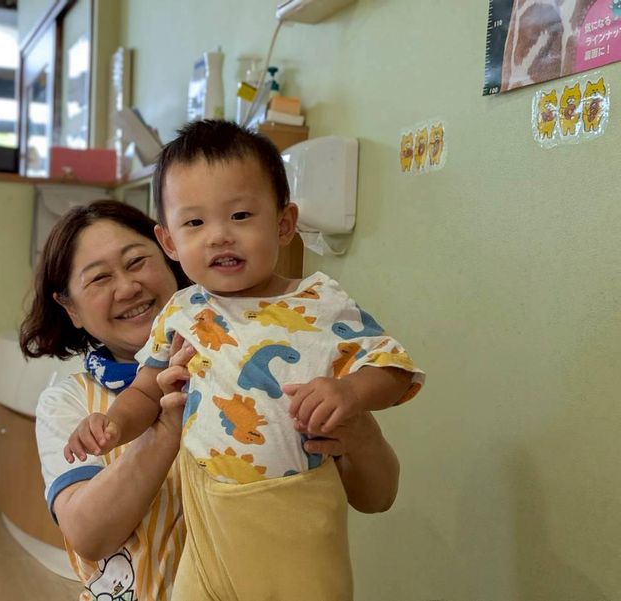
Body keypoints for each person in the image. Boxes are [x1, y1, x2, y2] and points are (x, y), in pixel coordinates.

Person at [65, 121, 425, 600]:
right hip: (210, 519)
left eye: (239, 215)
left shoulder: (320, 302)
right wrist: (111, 425)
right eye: (194, 223)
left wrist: (349, 393)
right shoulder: (182, 310)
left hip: (297, 517)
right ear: (170, 242)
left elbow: (395, 370)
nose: (218, 237)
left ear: (283, 223)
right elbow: (146, 391)